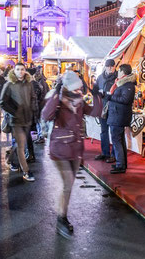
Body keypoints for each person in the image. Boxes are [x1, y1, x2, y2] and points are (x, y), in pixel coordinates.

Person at [42, 71, 101, 238]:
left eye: (80, 88)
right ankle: (61, 218)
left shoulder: (80, 102)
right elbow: (46, 115)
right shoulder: (58, 101)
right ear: (67, 87)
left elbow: (96, 112)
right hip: (59, 149)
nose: (78, 91)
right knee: (67, 183)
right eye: (75, 88)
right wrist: (57, 93)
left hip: (75, 149)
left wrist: (96, 95)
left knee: (68, 186)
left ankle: (62, 215)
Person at [0, 63, 38, 182]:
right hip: (15, 120)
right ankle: (26, 171)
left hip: (27, 119)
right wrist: (15, 112)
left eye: (22, 69)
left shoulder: (29, 84)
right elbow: (2, 102)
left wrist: (33, 110)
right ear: (14, 71)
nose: (20, 71)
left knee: (19, 143)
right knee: (21, 145)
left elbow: (33, 98)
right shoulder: (9, 84)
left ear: (25, 71)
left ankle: (9, 158)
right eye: (18, 69)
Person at [105, 64, 136, 174]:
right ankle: (121, 163)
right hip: (117, 114)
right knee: (119, 140)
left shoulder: (128, 85)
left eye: (119, 71)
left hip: (119, 115)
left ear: (123, 72)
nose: (117, 72)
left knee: (117, 140)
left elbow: (125, 99)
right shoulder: (122, 83)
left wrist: (111, 97)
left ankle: (120, 165)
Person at [94, 59, 117, 162]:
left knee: (113, 132)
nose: (110, 68)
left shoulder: (118, 77)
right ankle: (105, 153)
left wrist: (108, 94)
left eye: (112, 66)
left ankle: (114, 155)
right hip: (102, 107)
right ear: (105, 66)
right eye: (108, 66)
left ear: (115, 66)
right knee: (104, 132)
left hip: (113, 108)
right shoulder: (100, 77)